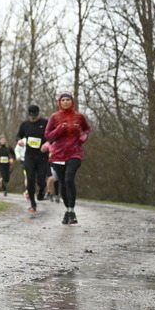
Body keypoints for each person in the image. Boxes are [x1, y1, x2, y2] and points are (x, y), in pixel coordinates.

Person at [45, 91, 91, 225]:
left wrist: (83, 137)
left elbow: (87, 129)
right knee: (63, 183)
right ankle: (68, 210)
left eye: (68, 100)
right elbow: (48, 136)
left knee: (69, 179)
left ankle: (72, 210)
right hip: (58, 154)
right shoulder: (54, 117)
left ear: (72, 101)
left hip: (75, 153)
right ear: (59, 102)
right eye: (63, 100)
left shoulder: (79, 117)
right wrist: (59, 129)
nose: (65, 102)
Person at [16, 104, 49, 212]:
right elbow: (18, 136)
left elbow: (53, 136)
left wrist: (48, 143)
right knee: (30, 179)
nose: (33, 118)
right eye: (31, 116)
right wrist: (19, 141)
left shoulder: (45, 123)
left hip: (42, 156)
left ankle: (41, 191)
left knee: (41, 180)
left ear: (38, 114)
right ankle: (33, 204)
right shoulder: (25, 124)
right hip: (29, 155)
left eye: (35, 116)